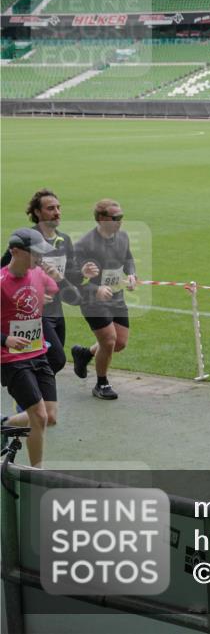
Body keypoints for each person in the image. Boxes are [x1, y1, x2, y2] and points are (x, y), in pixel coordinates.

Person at [1, 189, 83, 424]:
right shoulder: (26, 241)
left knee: (54, 361)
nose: (57, 212)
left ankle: (31, 404)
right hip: (31, 315)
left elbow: (71, 279)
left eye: (58, 207)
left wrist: (81, 276)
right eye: (50, 208)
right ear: (37, 213)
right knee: (54, 357)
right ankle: (28, 405)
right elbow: (6, 271)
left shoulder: (63, 240)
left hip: (56, 310)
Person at [1, 229, 62, 466]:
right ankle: (36, 474)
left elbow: (67, 294)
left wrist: (57, 280)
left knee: (51, 416)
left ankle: (4, 424)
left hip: (38, 353)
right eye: (35, 253)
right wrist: (5, 339)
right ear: (15, 252)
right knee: (39, 416)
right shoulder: (1, 282)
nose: (39, 258)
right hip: (10, 358)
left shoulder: (38, 273)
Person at [71, 199, 136, 401]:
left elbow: (128, 259)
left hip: (116, 297)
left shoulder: (123, 237)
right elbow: (72, 277)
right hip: (92, 301)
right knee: (108, 341)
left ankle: (85, 354)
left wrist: (132, 275)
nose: (120, 222)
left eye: (121, 217)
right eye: (115, 218)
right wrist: (95, 289)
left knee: (120, 343)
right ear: (101, 218)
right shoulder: (84, 245)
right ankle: (101, 383)